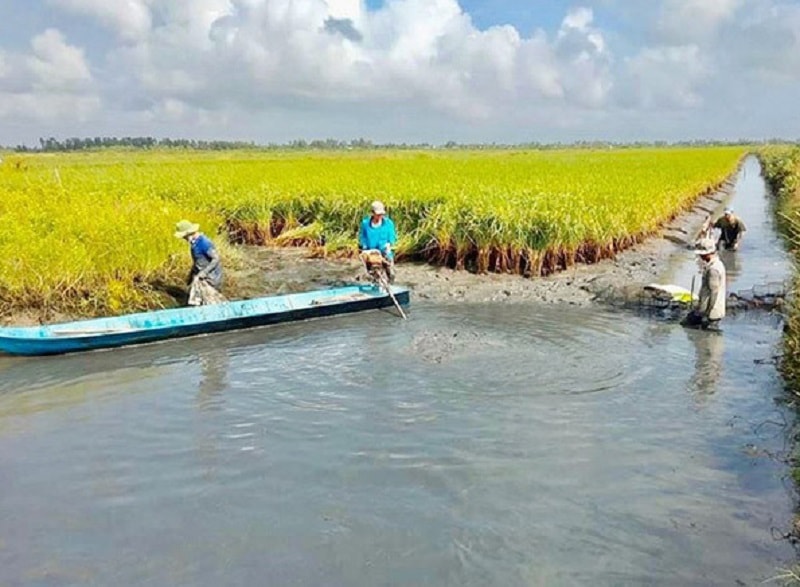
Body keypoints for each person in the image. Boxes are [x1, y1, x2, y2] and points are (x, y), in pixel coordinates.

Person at [174, 219, 225, 305]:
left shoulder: (204, 243)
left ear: (189, 234)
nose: (184, 239)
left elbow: (216, 259)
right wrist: (191, 275)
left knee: (209, 301)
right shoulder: (194, 245)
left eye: (184, 237)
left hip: (211, 278)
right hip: (202, 276)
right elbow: (197, 261)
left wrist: (203, 273)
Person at [683, 241, 726, 330]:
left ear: (708, 254)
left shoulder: (713, 270)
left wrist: (706, 314)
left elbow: (714, 292)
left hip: (711, 313)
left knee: (704, 337)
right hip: (709, 311)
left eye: (702, 255)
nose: (700, 257)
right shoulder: (717, 264)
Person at [358, 200, 397, 283]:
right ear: (372, 213)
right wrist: (364, 247)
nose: (380, 216)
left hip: (385, 252)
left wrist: (389, 245)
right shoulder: (365, 224)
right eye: (378, 214)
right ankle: (376, 286)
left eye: (381, 214)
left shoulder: (388, 223)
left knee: (391, 273)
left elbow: (392, 237)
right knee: (375, 275)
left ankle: (391, 284)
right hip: (372, 253)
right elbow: (362, 237)